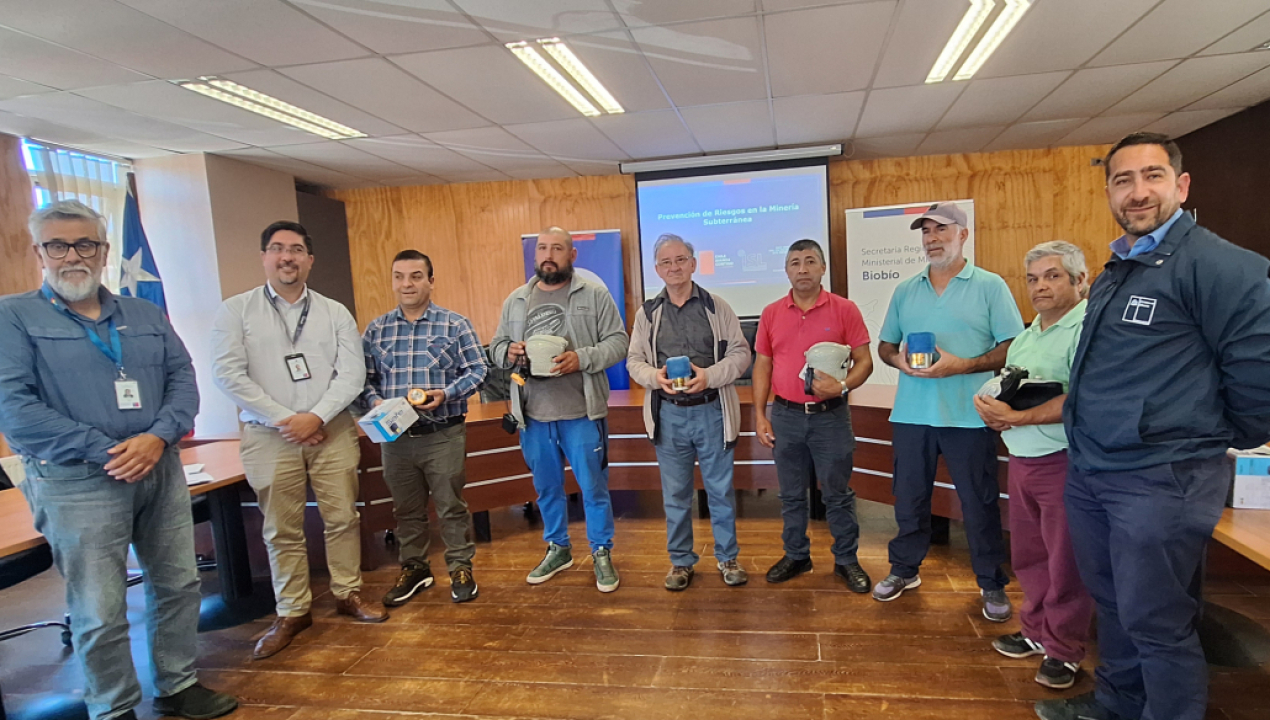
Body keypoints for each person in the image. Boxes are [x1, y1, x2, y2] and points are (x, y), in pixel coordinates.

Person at [1036, 133, 1270, 720]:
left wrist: (1195, 440)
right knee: (1114, 604)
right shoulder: (1121, 267)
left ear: (1181, 186)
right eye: (1123, 180)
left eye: (1153, 176)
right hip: (1094, 470)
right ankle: (1117, 704)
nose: (1137, 192)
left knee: (1157, 620)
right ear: (1109, 192)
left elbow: (1258, 382)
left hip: (1160, 478)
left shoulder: (1222, 266)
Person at [0, 200, 237, 720]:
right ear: (40, 252)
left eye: (85, 244)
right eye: (58, 245)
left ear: (104, 251)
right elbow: (14, 410)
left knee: (178, 583)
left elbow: (183, 380)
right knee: (99, 606)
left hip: (160, 468)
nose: (73, 256)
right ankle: (113, 708)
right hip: (77, 481)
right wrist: (106, 449)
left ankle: (177, 683)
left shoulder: (144, 314)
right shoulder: (13, 316)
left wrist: (157, 437)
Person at [211, 220, 385, 661]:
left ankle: (347, 592)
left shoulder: (334, 312)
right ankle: (292, 610)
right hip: (270, 434)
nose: (286, 257)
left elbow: (352, 374)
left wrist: (316, 416)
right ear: (264, 257)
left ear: (309, 259)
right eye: (277, 249)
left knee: (342, 517)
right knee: (281, 528)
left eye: (295, 250)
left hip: (331, 429)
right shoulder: (236, 311)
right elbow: (228, 374)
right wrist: (287, 419)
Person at [874, 202, 1023, 622]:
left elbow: (1013, 346)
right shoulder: (906, 290)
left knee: (978, 503)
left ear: (963, 235)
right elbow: (885, 345)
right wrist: (898, 361)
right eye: (926, 231)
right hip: (911, 414)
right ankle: (905, 570)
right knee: (909, 500)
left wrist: (963, 365)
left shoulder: (990, 286)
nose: (932, 238)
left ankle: (991, 582)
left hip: (969, 416)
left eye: (941, 229)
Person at [974, 241, 1094, 691]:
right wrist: (991, 408)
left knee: (1066, 562)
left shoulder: (1087, 329)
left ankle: (1064, 649)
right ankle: (1036, 630)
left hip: (1063, 461)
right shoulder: (1027, 335)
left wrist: (1019, 418)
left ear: (1080, 281)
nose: (1040, 286)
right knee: (1030, 556)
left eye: (1052, 276)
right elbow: (1013, 388)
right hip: (1022, 458)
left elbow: (1082, 399)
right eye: (1032, 279)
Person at [489, 227, 629, 592]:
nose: (548, 255)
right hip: (533, 415)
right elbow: (497, 347)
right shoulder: (516, 300)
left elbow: (618, 342)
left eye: (557, 248)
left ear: (572, 255)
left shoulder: (594, 294)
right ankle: (558, 548)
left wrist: (581, 358)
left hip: (581, 412)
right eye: (542, 248)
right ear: (535, 255)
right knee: (547, 488)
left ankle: (601, 551)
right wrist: (509, 352)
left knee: (593, 488)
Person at [627, 234, 753, 591]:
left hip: (712, 412)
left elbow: (741, 354)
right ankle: (681, 562)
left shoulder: (717, 307)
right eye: (666, 262)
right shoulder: (647, 314)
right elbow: (634, 361)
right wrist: (655, 378)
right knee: (675, 495)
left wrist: (708, 376)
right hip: (669, 415)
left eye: (681, 260)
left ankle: (728, 558)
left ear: (693, 264)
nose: (674, 267)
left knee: (720, 491)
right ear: (657, 270)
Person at [362, 250, 487, 605]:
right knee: (406, 511)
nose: (407, 284)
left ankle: (460, 569)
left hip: (442, 433)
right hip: (396, 439)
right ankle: (415, 569)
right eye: (399, 276)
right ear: (392, 281)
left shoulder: (455, 325)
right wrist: (375, 401)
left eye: (416, 276)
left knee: (451, 507)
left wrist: (447, 393)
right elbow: (364, 379)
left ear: (430, 281)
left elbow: (479, 370)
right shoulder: (376, 330)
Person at [752, 239, 874, 590]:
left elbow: (864, 361)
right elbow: (763, 365)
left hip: (830, 417)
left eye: (809, 261)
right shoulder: (771, 313)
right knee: (791, 495)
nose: (802, 269)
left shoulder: (845, 309)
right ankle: (796, 555)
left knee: (837, 494)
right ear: (786, 270)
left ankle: (846, 560)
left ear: (823, 268)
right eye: (795, 262)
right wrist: (760, 414)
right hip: (786, 416)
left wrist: (842, 386)